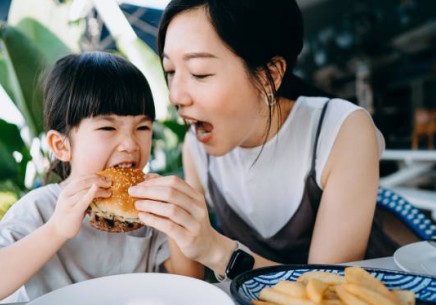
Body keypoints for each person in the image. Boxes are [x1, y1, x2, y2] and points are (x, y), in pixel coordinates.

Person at [127, 0, 385, 280]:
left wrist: (218, 251)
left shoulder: (341, 130)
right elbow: (189, 276)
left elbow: (329, 290)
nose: (175, 96)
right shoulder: (196, 148)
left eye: (199, 73)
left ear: (270, 75)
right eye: (171, 72)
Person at [0, 51, 203, 305]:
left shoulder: (146, 208)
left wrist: (176, 223)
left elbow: (187, 280)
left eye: (142, 128)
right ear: (61, 145)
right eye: (107, 128)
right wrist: (56, 230)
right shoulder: (43, 208)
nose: (130, 144)